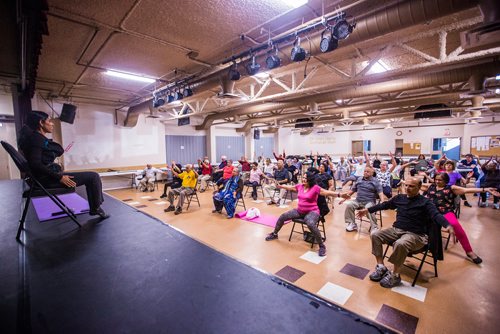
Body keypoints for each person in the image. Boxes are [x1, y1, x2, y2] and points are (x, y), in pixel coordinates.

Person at [357, 177, 455, 288]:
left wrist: (447, 225)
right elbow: (384, 205)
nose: (408, 188)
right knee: (375, 234)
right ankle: (381, 266)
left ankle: (395, 275)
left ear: (419, 187)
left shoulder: (425, 202)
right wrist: (367, 210)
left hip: (416, 235)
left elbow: (436, 215)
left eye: (411, 186)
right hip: (396, 230)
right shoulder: (400, 198)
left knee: (400, 243)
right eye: (406, 185)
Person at [17, 111, 109, 219]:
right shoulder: (36, 138)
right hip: (47, 180)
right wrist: (59, 177)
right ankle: (96, 208)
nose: (52, 124)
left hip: (43, 178)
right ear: (41, 123)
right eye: (49, 121)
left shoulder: (34, 138)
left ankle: (96, 206)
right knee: (93, 176)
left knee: (92, 177)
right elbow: (35, 164)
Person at [264, 172, 348, 256]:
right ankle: (274, 234)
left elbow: (326, 192)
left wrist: (340, 194)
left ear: (310, 180)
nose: (303, 179)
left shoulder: (315, 188)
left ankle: (322, 246)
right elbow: (291, 187)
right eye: (303, 177)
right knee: (283, 216)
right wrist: (281, 186)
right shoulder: (300, 186)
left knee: (310, 223)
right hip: (300, 211)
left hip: (312, 211)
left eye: (305, 178)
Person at [422, 173, 499, 264]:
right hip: (432, 212)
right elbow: (417, 185)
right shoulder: (431, 186)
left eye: (440, 180)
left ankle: (469, 251)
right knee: (418, 220)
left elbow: (466, 190)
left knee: (455, 225)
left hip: (446, 212)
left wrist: (485, 189)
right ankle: (423, 244)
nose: (437, 181)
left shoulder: (451, 188)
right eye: (436, 179)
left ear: (446, 181)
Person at [342, 166, 385, 232]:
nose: (365, 173)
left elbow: (380, 192)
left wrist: (382, 202)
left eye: (368, 172)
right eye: (365, 171)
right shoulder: (359, 179)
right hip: (358, 201)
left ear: (372, 173)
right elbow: (353, 190)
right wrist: (345, 198)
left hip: (369, 202)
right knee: (349, 205)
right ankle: (352, 224)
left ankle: (374, 226)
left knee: (369, 208)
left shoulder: (375, 181)